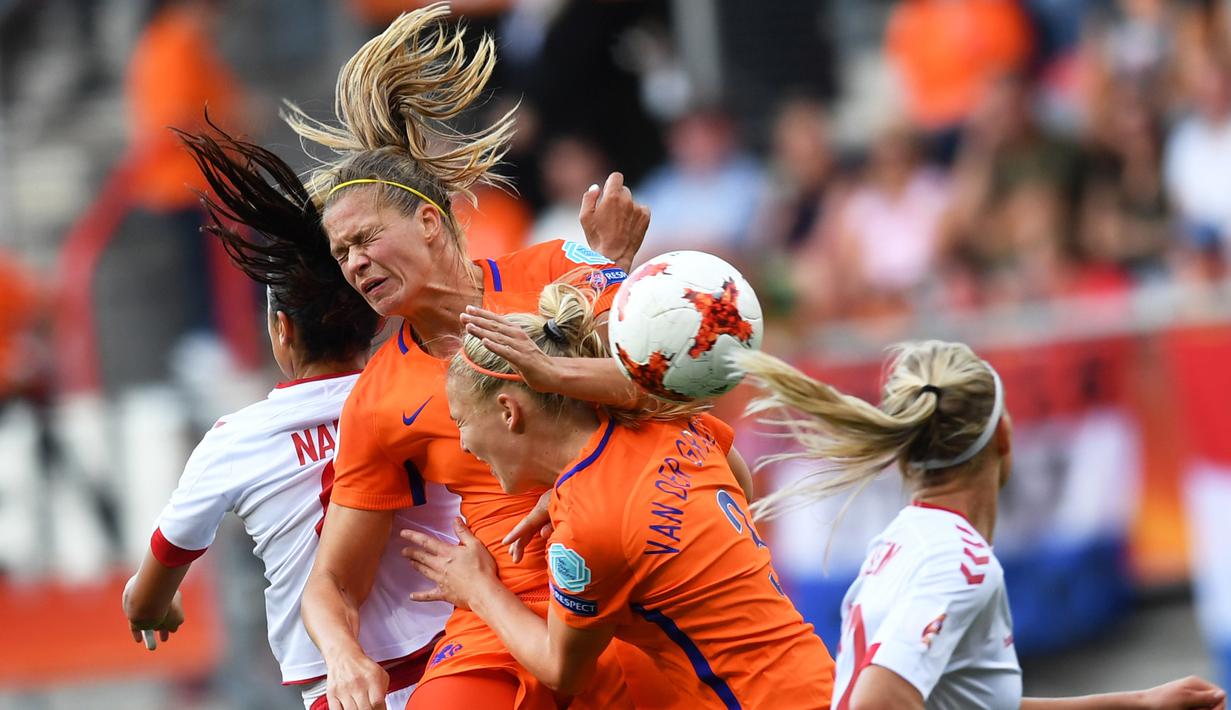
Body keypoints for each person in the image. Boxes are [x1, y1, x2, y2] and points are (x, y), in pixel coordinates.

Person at [281, 6, 655, 708]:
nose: (354, 264)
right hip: (504, 617)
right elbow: (331, 583)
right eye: (341, 255)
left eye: (365, 239)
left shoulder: (555, 272)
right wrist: (343, 654)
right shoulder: (380, 397)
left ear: (428, 221)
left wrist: (611, 277)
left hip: (635, 582)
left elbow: (660, 395)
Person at [120, 126, 458, 709]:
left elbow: (145, 598)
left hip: (343, 687)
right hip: (462, 662)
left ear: (281, 331)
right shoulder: (432, 389)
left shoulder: (236, 441)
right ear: (375, 321)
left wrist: (157, 606)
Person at [400, 281, 833, 708]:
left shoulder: (588, 525)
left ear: (509, 412)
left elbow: (562, 669)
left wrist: (477, 588)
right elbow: (740, 483)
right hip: (821, 680)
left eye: (460, 422)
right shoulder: (666, 423)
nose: (463, 445)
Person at [734, 340, 1228, 710]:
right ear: (1005, 436)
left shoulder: (901, 545)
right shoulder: (959, 564)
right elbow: (877, 704)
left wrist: (1137, 704)